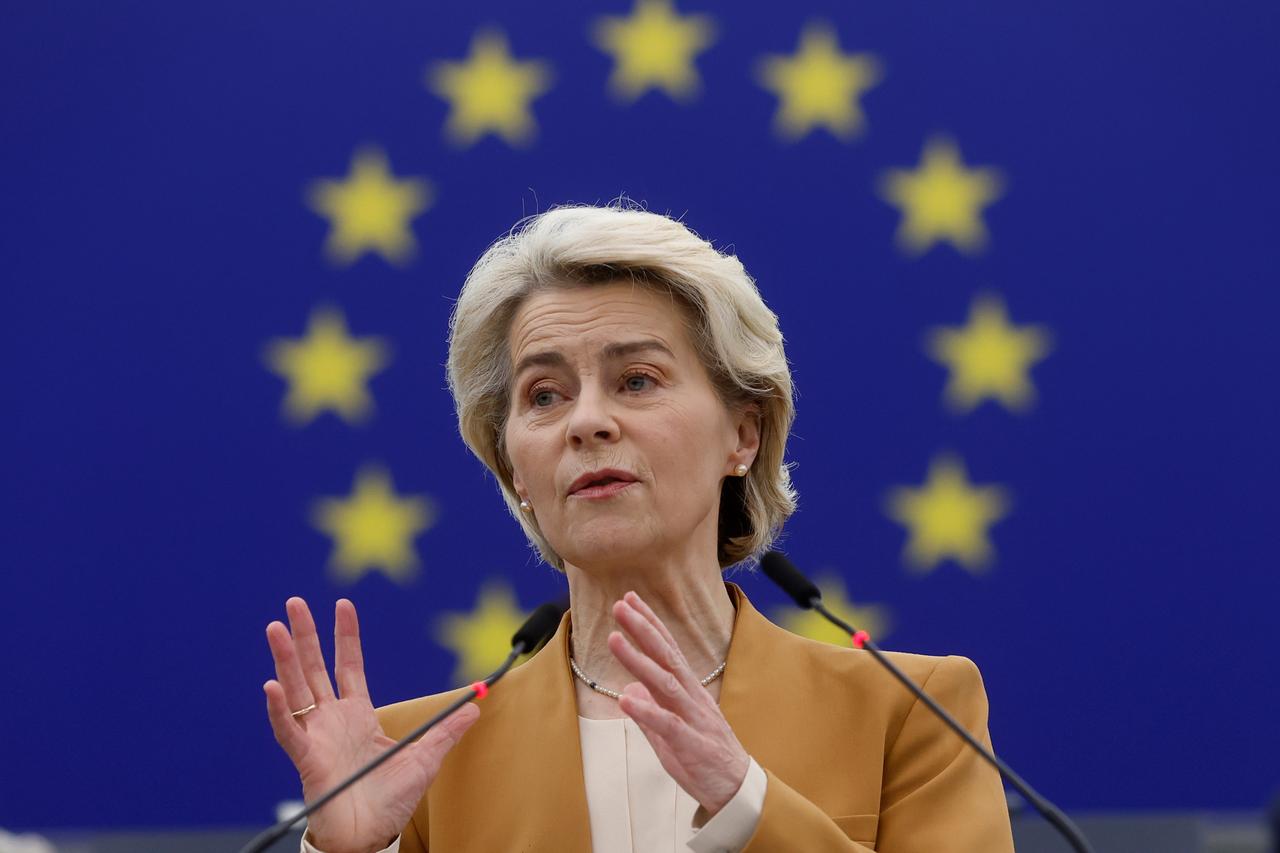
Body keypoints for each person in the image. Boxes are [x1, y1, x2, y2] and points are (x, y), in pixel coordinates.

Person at [262, 203, 1016, 852]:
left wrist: (748, 803)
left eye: (637, 380)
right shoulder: (415, 760)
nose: (587, 421)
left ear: (743, 434)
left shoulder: (910, 711)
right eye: (545, 394)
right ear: (515, 468)